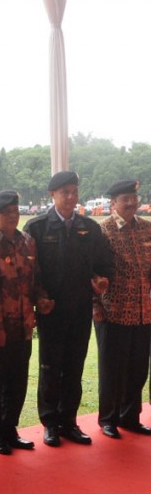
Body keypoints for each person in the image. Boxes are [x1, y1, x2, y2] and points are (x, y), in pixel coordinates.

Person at [24, 171, 114, 447]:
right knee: (50, 367)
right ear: (52, 194)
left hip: (80, 309)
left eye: (75, 191)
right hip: (51, 311)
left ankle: (69, 422)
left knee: (74, 367)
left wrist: (101, 280)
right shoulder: (37, 227)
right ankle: (50, 423)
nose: (71, 197)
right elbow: (29, 273)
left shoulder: (90, 228)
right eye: (65, 192)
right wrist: (39, 298)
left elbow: (103, 263)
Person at [0, 190, 52, 455]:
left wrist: (41, 300)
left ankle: (10, 429)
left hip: (23, 324)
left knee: (18, 380)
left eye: (15, 211)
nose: (12, 216)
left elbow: (35, 279)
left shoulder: (27, 242)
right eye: (6, 213)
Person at [94, 180, 151, 438]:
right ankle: (109, 418)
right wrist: (95, 306)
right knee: (112, 369)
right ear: (113, 203)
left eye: (133, 198)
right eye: (125, 199)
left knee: (138, 368)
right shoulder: (102, 230)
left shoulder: (147, 228)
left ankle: (130, 417)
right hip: (112, 311)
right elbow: (92, 271)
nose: (131, 203)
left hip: (143, 310)